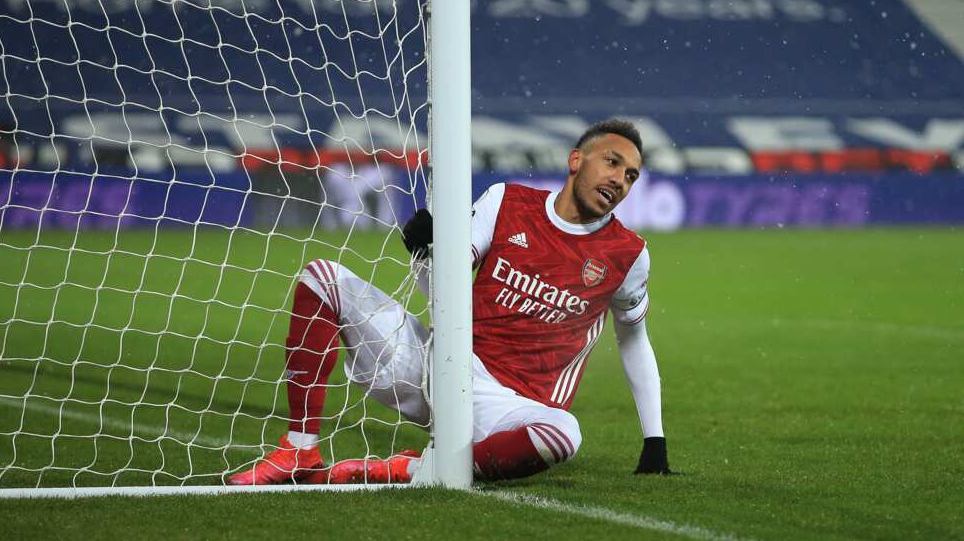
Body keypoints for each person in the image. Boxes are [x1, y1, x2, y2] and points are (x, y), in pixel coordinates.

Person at [227, 118, 673, 485]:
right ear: (576, 160)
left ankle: (419, 469)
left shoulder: (628, 254)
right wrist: (426, 252)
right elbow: (448, 286)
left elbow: (634, 340)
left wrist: (654, 440)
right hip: (439, 365)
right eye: (612, 162)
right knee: (323, 279)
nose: (620, 179)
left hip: (505, 406)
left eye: (631, 175)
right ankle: (299, 450)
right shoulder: (508, 201)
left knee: (563, 433)